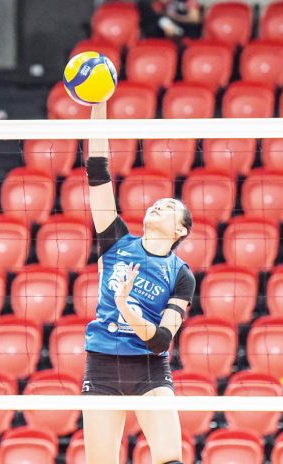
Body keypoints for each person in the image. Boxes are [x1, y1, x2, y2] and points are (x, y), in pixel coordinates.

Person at [81, 101, 196, 464]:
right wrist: (98, 105)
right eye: (155, 204)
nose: (156, 206)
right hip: (102, 365)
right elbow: (97, 171)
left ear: (180, 230)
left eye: (168, 206)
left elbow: (162, 340)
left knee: (170, 460)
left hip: (148, 367)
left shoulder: (181, 274)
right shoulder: (115, 240)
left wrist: (129, 309)